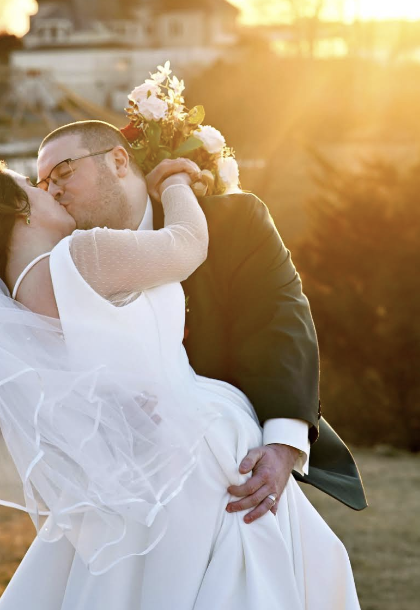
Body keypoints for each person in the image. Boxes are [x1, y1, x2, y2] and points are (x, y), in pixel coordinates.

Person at [0, 152, 361, 609]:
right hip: (198, 450)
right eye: (35, 188)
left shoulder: (15, 302)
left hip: (134, 474)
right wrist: (176, 181)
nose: (50, 192)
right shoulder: (80, 256)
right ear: (21, 210)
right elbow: (188, 245)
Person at [36, 121, 367, 520]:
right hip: (130, 492)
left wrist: (282, 445)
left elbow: (281, 325)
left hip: (237, 469)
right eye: (43, 184)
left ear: (119, 161)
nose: (53, 191)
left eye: (63, 172)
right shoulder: (64, 263)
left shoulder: (234, 222)